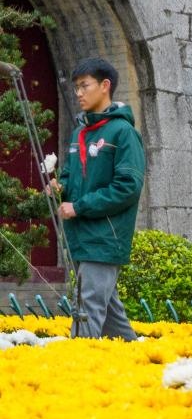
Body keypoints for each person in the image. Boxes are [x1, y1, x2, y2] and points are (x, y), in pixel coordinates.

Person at [56, 58, 145, 340]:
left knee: (87, 308)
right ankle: (144, 361)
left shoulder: (123, 132)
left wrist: (79, 206)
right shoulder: (79, 133)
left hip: (105, 237)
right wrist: (59, 187)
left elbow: (128, 186)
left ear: (105, 86)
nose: (78, 93)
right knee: (111, 320)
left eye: (84, 86)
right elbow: (70, 176)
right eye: (76, 88)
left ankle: (79, 373)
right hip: (82, 237)